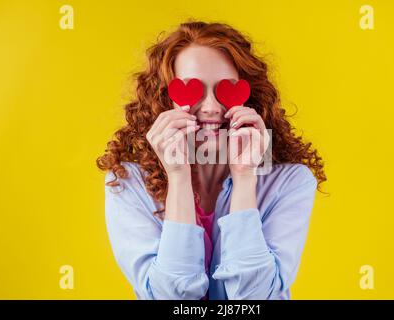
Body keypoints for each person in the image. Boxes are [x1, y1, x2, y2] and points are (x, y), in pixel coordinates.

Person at [96, 20, 326, 300]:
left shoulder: (290, 181)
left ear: (250, 98)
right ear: (164, 99)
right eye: (191, 90)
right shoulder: (127, 182)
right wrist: (178, 177)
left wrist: (244, 177)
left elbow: (255, 298)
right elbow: (173, 299)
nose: (211, 108)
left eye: (226, 90)